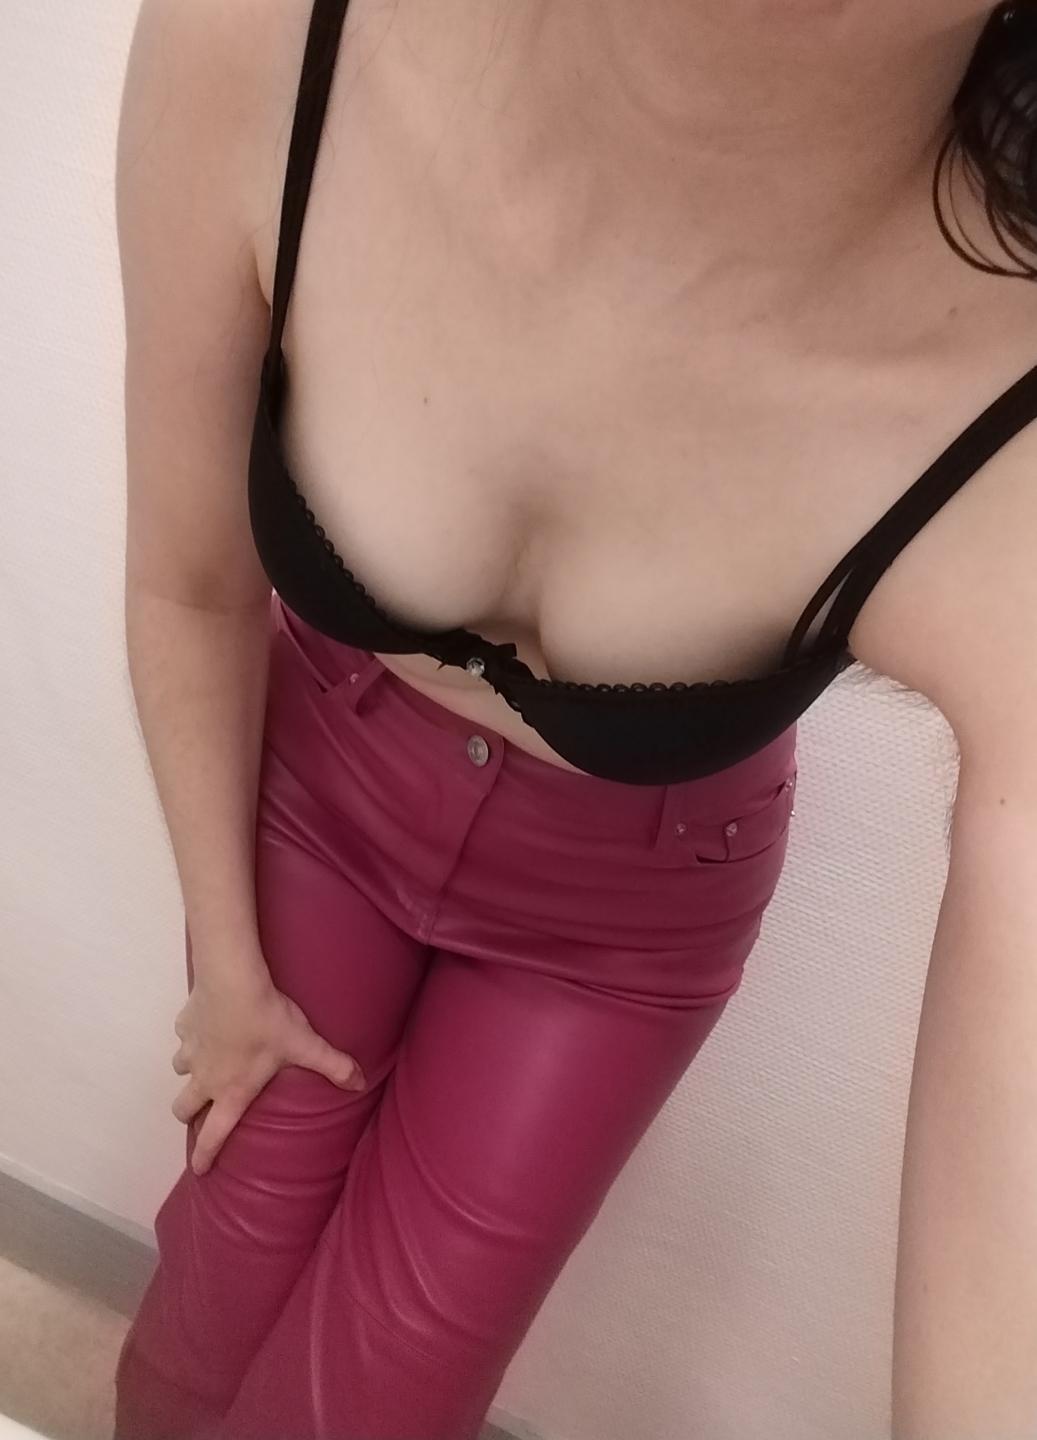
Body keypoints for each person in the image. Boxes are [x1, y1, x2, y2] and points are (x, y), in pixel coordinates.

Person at [112, 1, 1037, 1436]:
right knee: (212, 1285)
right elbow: (189, 586)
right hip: (319, 788)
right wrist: (224, 969)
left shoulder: (1010, 397)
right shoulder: (272, 38)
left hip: (618, 925)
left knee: (383, 1390)